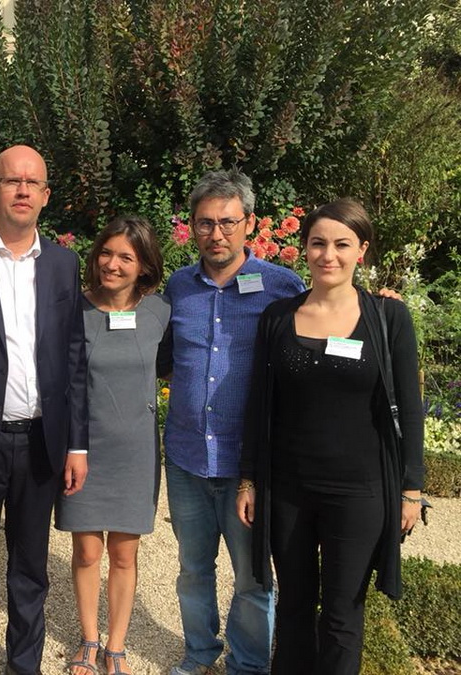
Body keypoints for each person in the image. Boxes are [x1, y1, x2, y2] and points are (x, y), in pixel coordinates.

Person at [236, 199, 424, 674]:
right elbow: (260, 403)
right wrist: (249, 480)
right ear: (305, 248)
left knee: (343, 615)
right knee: (295, 608)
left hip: (359, 493)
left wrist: (411, 489)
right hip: (290, 490)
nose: (328, 255)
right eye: (318, 243)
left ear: (361, 249)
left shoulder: (388, 318)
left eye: (342, 244)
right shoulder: (278, 317)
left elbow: (410, 406)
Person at [0, 144, 89, 675]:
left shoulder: (63, 264)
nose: (22, 190)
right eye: (11, 181)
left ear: (46, 197)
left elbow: (74, 357)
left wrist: (76, 441)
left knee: (31, 568)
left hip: (41, 441)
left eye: (32, 183)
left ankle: (24, 665)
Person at [157, 169, 304, 675]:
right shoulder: (179, 286)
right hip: (186, 458)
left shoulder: (283, 288)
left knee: (253, 578)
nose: (215, 234)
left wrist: (381, 310)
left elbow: (330, 323)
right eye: (204, 223)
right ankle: (199, 652)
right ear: (192, 227)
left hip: (250, 466)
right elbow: (159, 354)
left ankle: (247, 665)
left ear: (249, 224)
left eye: (227, 222)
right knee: (193, 570)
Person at [54, 216, 170, 675]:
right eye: (106, 253)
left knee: (124, 553)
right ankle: (87, 638)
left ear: (143, 266)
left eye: (126, 257)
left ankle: (115, 645)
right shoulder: (73, 311)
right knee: (85, 551)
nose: (112, 264)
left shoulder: (160, 310)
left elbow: (169, 365)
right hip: (84, 446)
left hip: (136, 449)